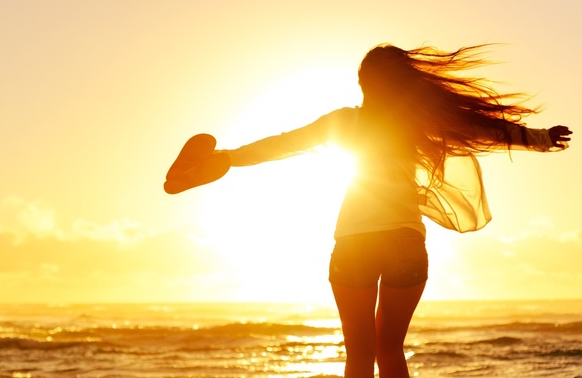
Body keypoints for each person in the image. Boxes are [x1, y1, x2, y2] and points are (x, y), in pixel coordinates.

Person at [213, 44, 572, 377]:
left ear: (362, 83)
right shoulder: (415, 124)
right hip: (405, 243)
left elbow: (283, 144)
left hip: (355, 244)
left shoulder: (344, 121)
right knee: (390, 349)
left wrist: (228, 158)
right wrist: (540, 138)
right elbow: (483, 129)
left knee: (359, 353)